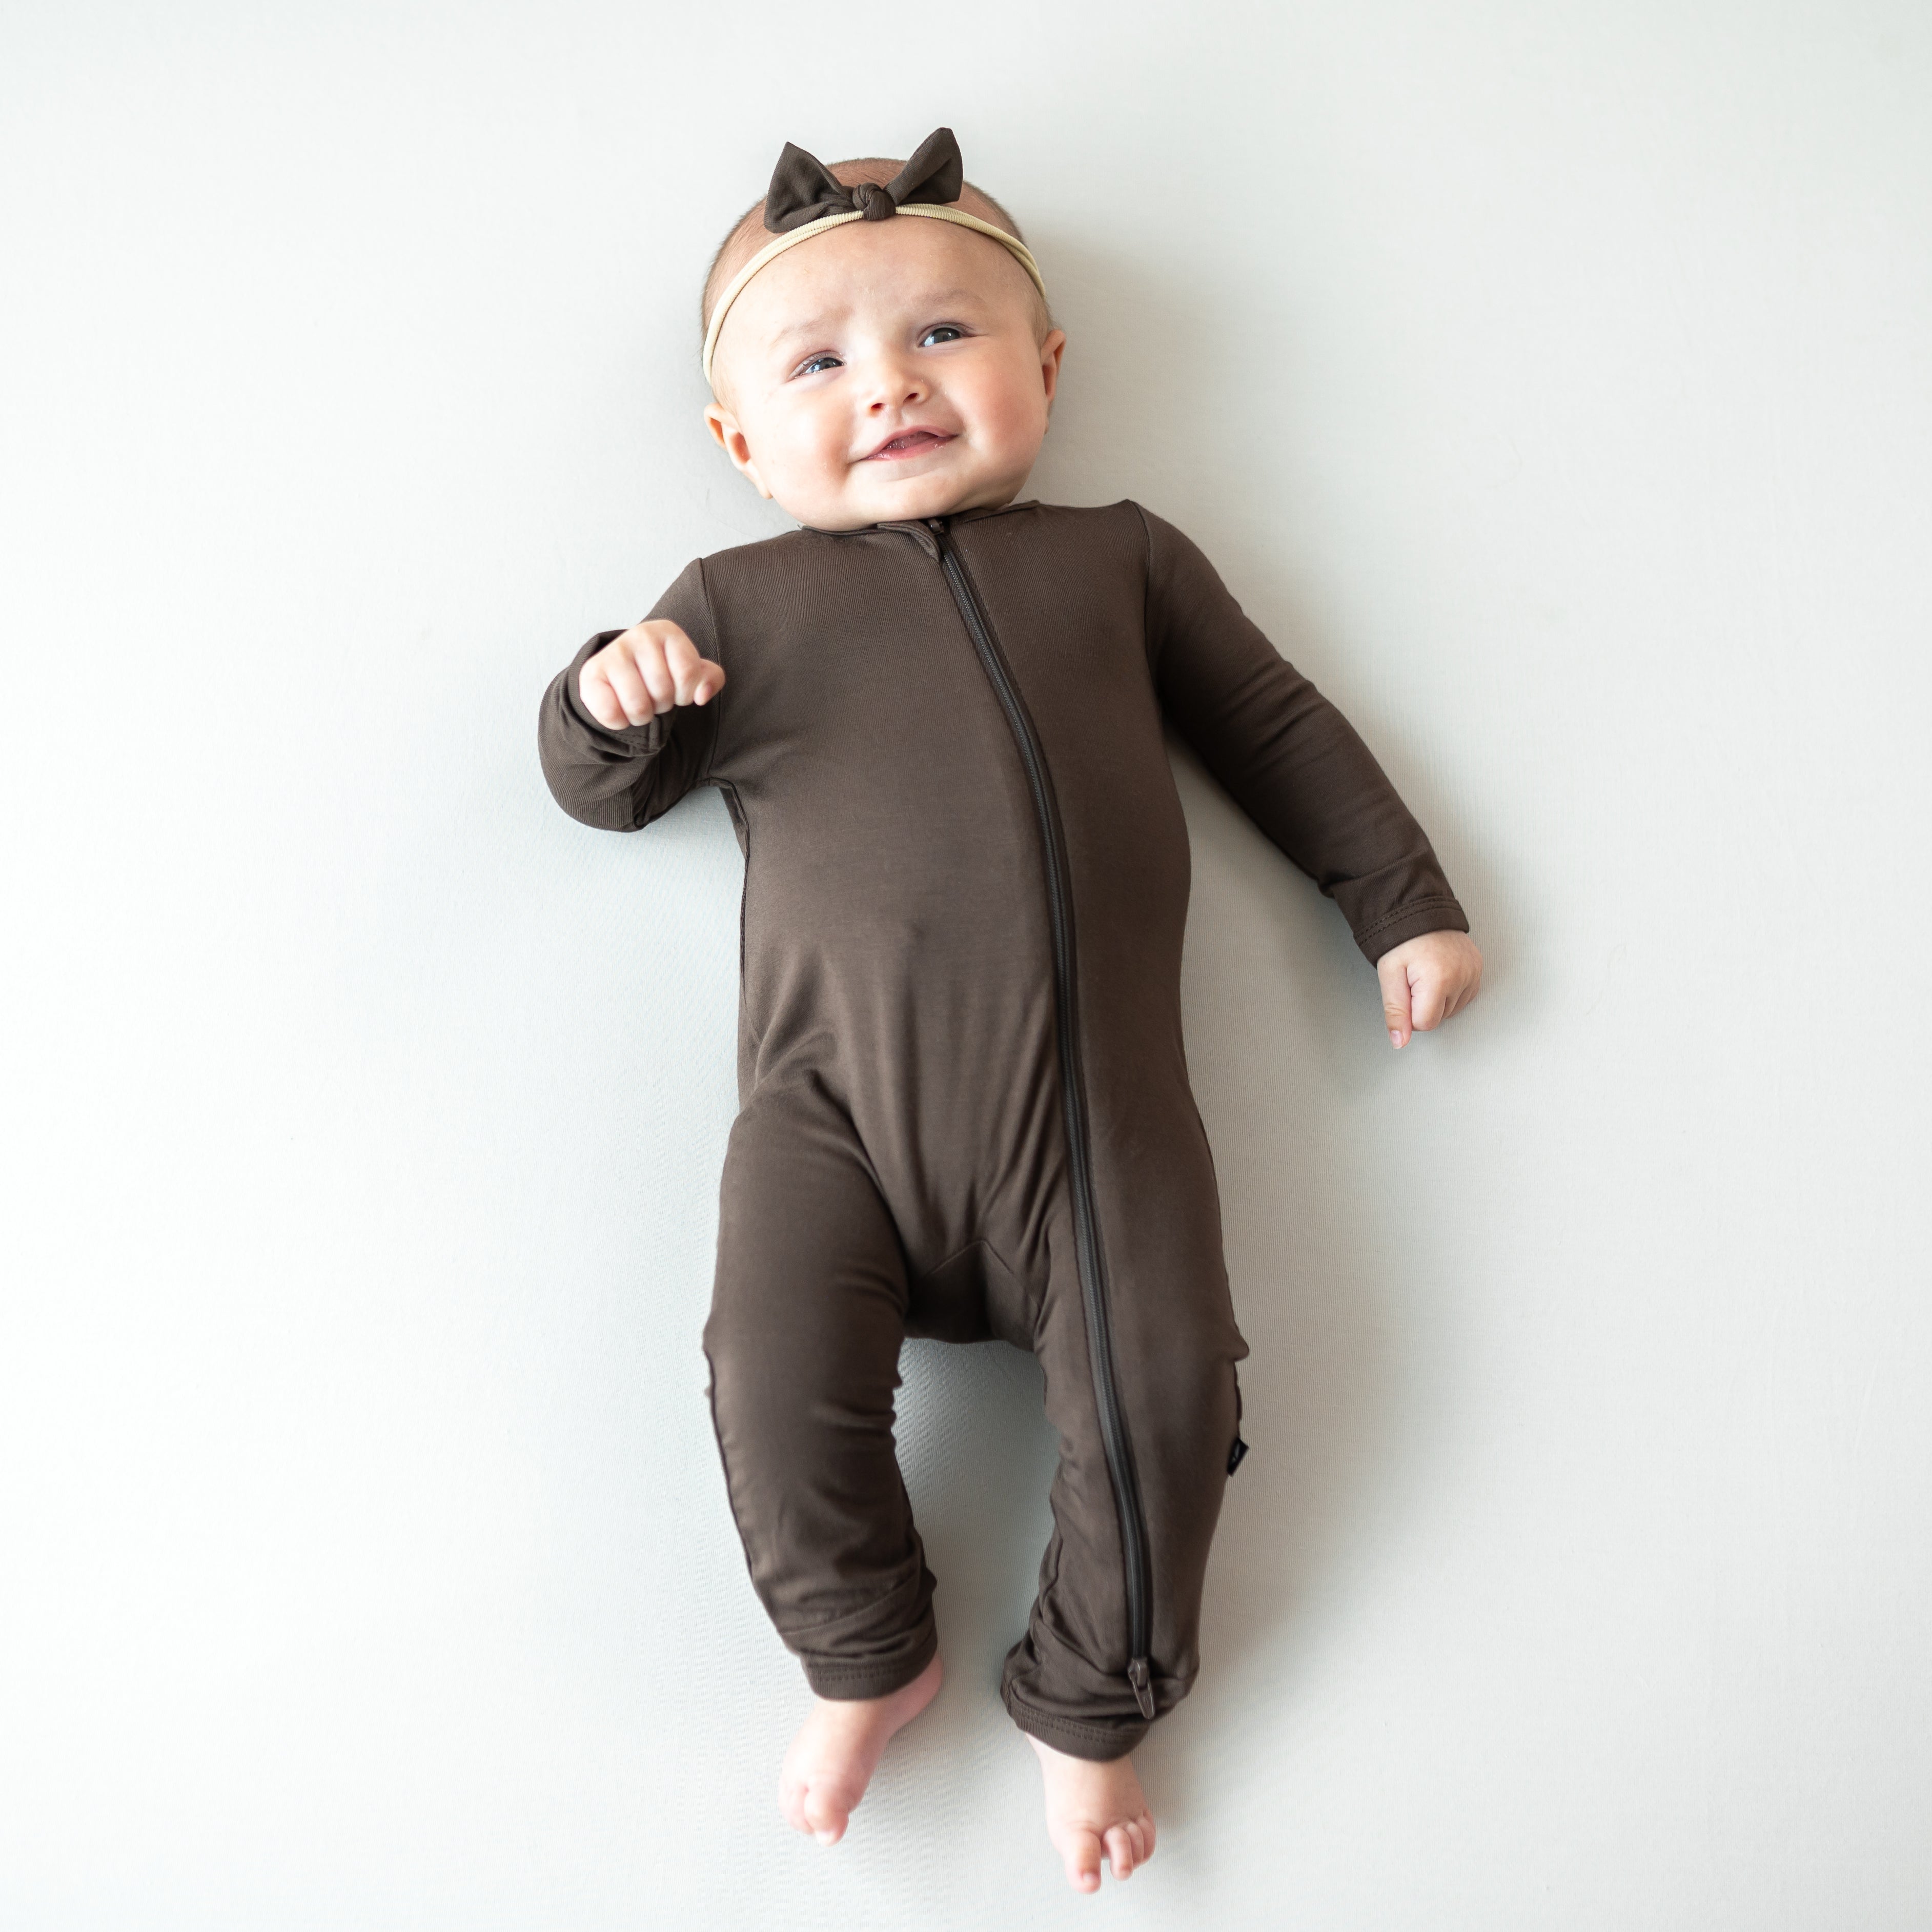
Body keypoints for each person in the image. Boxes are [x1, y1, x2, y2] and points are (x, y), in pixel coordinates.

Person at [537, 127, 1482, 1894]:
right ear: (742, 445)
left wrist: (1398, 900)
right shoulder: (735, 602)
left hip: (1096, 1121)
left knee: (1168, 1394)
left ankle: (1092, 1695)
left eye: (941, 339)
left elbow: (1276, 727)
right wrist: (607, 690)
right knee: (764, 1375)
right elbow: (602, 790)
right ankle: (862, 1655)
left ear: (1045, 367)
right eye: (817, 364)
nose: (887, 388)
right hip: (833, 1119)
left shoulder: (1121, 563)